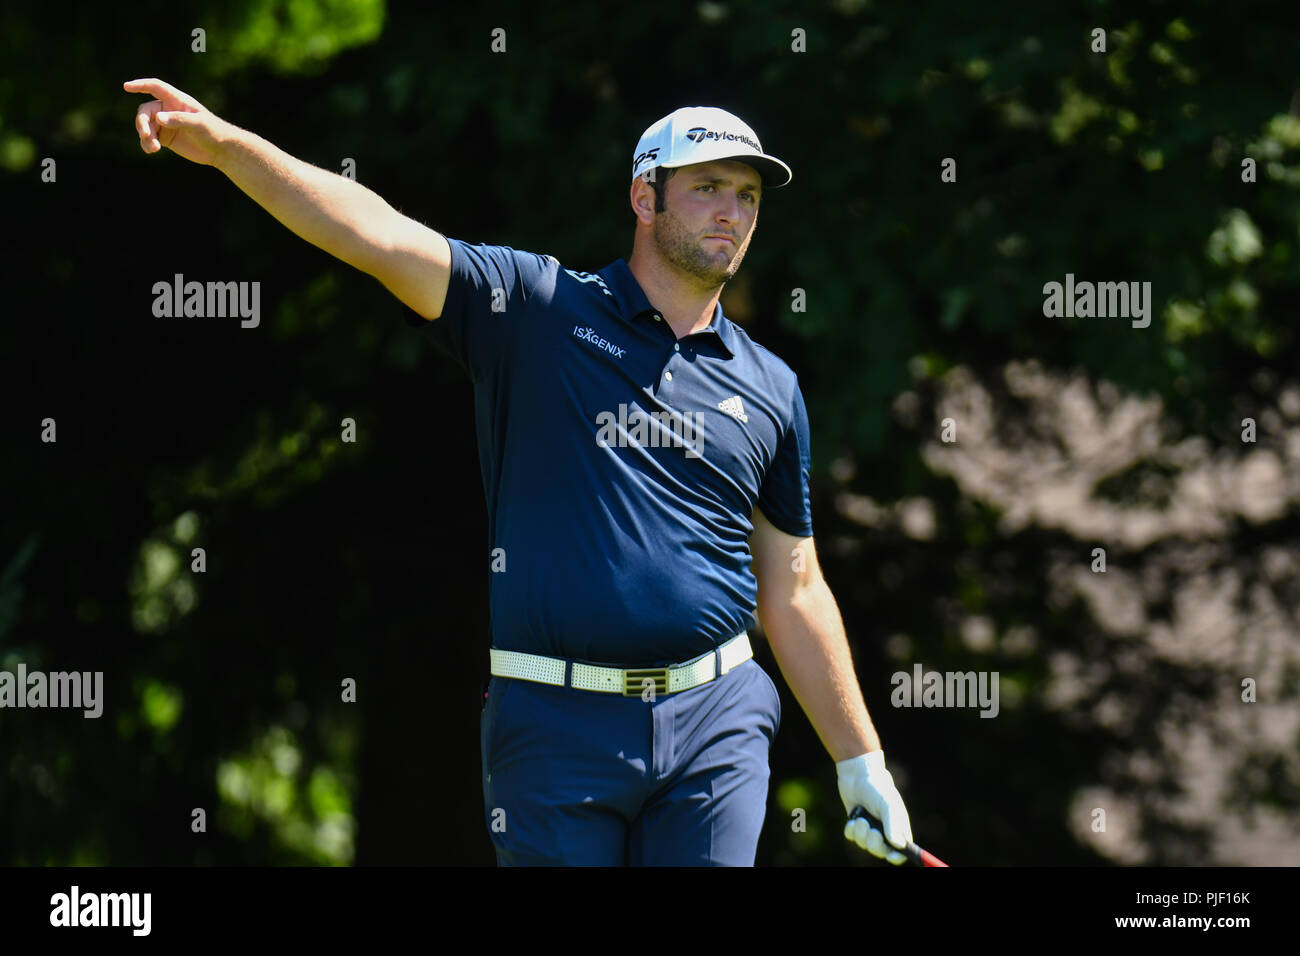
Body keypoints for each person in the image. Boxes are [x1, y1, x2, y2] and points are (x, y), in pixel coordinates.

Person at [125, 78, 916, 866]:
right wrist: (229, 148)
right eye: (708, 188)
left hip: (718, 718)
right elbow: (376, 235)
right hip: (552, 721)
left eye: (747, 196)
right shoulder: (536, 311)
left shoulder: (771, 385)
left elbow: (796, 586)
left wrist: (861, 762)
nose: (732, 213)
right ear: (646, 198)